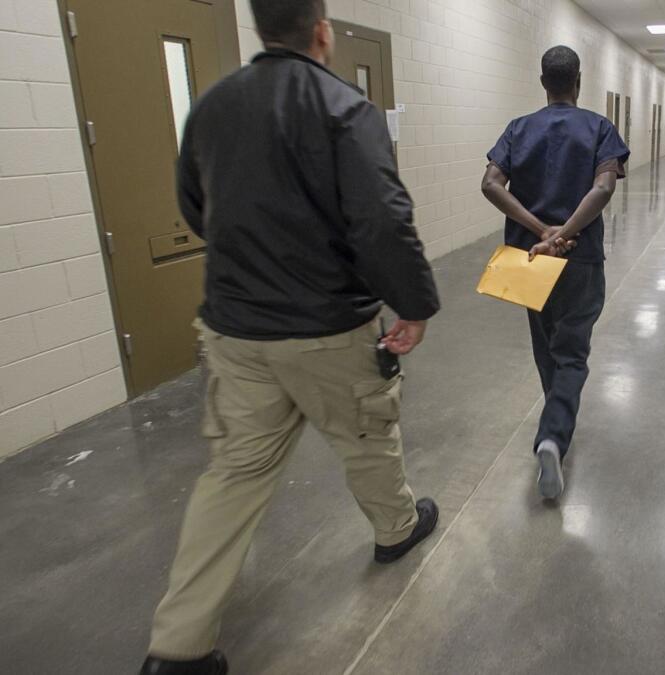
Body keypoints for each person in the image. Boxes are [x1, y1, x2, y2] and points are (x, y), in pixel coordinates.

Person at [140, 1, 440, 673]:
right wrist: (414, 304)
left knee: (235, 472)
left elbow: (195, 203)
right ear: (323, 32)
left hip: (235, 331)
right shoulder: (344, 107)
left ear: (261, 29)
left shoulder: (211, 108)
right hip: (327, 329)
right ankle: (396, 528)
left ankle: (177, 645)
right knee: (366, 434)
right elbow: (381, 220)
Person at [480, 45, 629, 501]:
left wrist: (539, 229)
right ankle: (553, 435)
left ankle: (553, 418)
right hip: (578, 257)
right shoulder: (599, 127)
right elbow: (604, 185)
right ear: (577, 80)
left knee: (546, 346)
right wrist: (564, 230)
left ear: (543, 82)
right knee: (572, 353)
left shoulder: (518, 129)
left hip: (528, 258)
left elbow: (490, 183)